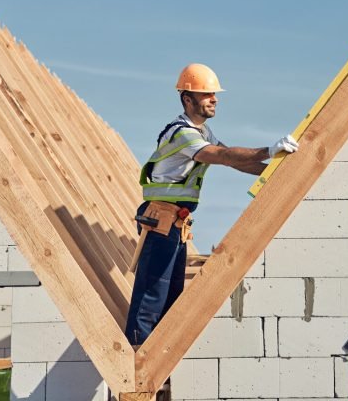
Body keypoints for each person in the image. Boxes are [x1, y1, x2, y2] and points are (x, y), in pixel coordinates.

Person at [125, 62, 298, 347]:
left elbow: (236, 160)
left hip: (175, 224)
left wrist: (275, 170)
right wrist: (269, 149)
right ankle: (136, 353)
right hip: (160, 220)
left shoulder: (203, 132)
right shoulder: (183, 133)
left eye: (214, 94)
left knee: (171, 295)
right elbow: (224, 156)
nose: (214, 99)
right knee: (153, 292)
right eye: (207, 94)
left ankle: (158, 351)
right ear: (187, 99)